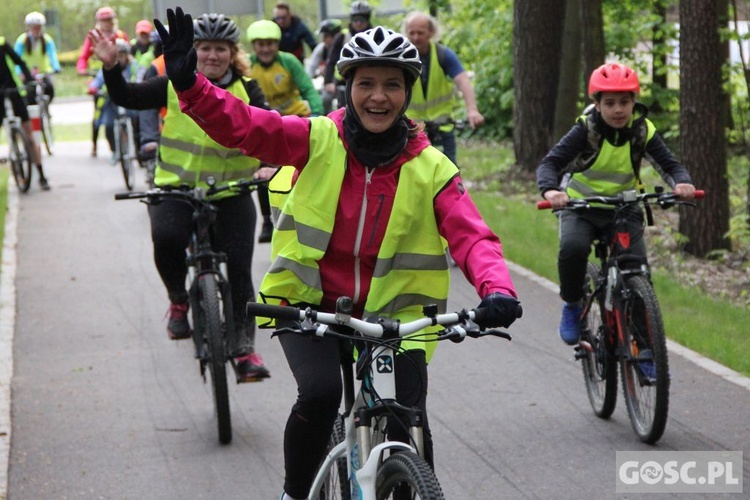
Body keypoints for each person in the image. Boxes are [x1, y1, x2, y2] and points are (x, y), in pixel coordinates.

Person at [156, 9, 521, 499]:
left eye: (392, 85)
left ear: (407, 93)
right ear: (347, 87)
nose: (378, 96)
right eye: (365, 83)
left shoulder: (432, 167)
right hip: (308, 306)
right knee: (323, 393)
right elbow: (244, 126)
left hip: (398, 318)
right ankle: (294, 493)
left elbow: (473, 237)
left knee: (408, 419)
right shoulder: (317, 139)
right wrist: (189, 83)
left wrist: (498, 289)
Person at [87, 12, 272, 381]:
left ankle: (244, 348)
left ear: (232, 53)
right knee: (166, 237)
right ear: (193, 50)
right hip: (176, 187)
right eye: (204, 48)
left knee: (239, 267)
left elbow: (269, 128)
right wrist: (111, 68)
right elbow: (126, 96)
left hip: (232, 190)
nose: (212, 56)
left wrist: (269, 164)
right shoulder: (171, 84)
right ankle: (178, 299)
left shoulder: (247, 89)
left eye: (221, 49)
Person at [536, 62, 696, 346]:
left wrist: (681, 184)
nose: (618, 110)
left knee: (637, 271)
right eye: (610, 103)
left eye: (625, 102)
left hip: (623, 208)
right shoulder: (586, 130)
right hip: (580, 208)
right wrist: (550, 191)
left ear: (635, 101)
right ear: (596, 105)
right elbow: (551, 163)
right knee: (573, 249)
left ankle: (645, 347)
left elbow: (669, 165)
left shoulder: (641, 130)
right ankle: (572, 305)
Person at [245, 19, 323, 243]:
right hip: (265, 126)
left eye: (270, 43)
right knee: (263, 172)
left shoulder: (288, 62)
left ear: (277, 44)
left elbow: (308, 88)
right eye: (260, 44)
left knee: (300, 170)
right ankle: (268, 220)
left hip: (294, 122)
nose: (265, 49)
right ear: (254, 46)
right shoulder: (247, 65)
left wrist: (317, 113)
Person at [403, 11, 484, 166]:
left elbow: (462, 80)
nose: (415, 37)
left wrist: (472, 109)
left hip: (442, 125)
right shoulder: (401, 56)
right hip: (412, 127)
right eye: (411, 32)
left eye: (420, 32)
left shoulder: (443, 55)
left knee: (448, 170)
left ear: (431, 32)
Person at [77, 6, 129, 158]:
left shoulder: (120, 35)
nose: (107, 23)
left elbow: (129, 55)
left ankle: (127, 141)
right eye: (104, 20)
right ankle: (94, 143)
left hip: (118, 75)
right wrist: (82, 69)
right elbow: (83, 57)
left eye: (109, 20)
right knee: (99, 113)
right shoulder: (94, 36)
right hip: (99, 78)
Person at [1, 35, 49, 190]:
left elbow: (19, 62)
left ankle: (41, 175)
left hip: (13, 91)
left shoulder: (2, 43)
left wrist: (29, 80)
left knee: (29, 135)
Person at [87, 39, 134, 165]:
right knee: (108, 125)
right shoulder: (108, 67)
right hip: (110, 102)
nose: (119, 59)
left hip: (130, 100)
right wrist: (93, 88)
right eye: (116, 56)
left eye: (122, 56)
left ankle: (138, 148)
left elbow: (138, 77)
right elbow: (98, 80)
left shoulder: (133, 66)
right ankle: (114, 150)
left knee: (136, 118)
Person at [323, 0, 373, 107]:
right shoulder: (342, 36)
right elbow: (331, 61)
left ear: (368, 19)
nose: (358, 23)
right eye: (355, 19)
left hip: (369, 81)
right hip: (343, 82)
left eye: (362, 19)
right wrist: (328, 82)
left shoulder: (375, 35)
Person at [14, 11, 62, 104]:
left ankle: (46, 109)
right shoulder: (22, 40)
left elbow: (53, 55)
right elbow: (16, 58)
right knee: (28, 95)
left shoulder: (47, 40)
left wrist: (56, 68)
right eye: (33, 27)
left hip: (44, 72)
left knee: (49, 89)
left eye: (38, 27)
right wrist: (20, 73)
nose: (36, 30)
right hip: (28, 73)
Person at [306, 18, 342, 114]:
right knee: (323, 99)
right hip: (328, 85)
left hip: (343, 84)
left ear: (335, 36)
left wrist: (335, 83)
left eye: (326, 36)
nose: (323, 39)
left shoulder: (346, 47)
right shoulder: (322, 48)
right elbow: (311, 68)